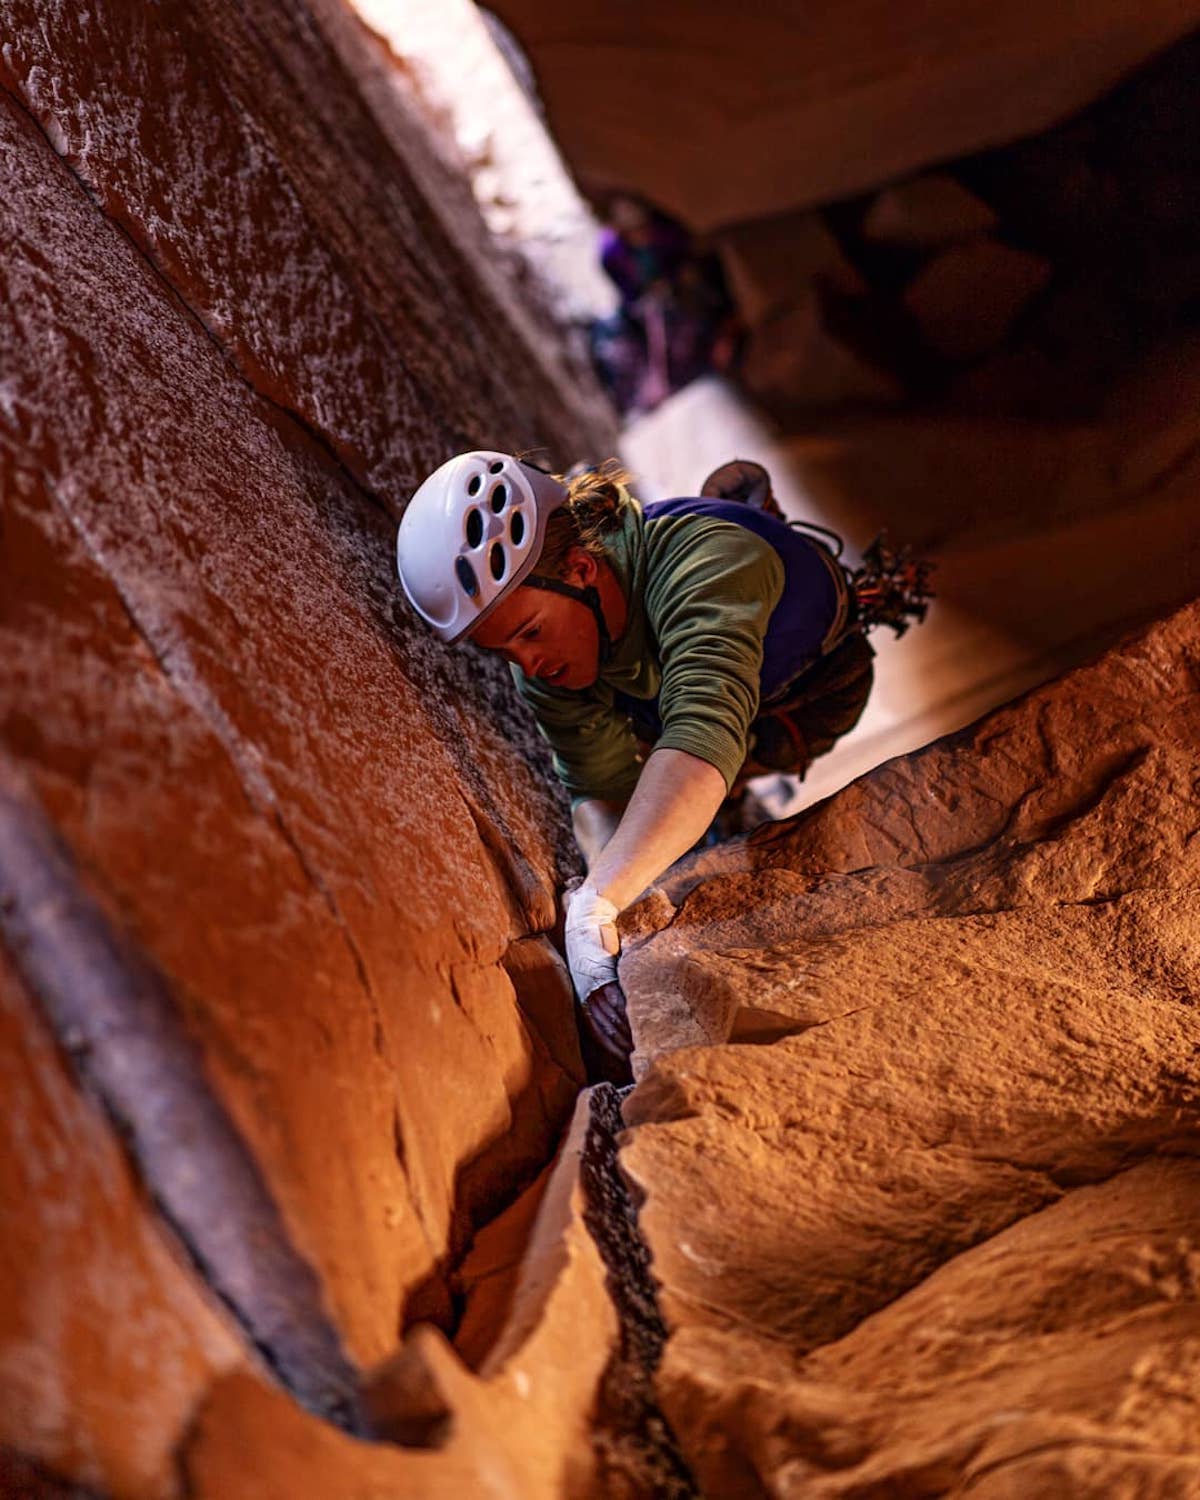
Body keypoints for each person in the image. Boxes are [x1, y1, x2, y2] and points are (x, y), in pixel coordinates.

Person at [395, 451, 926, 1079]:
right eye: (503, 649)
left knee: (695, 767)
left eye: (531, 632)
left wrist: (597, 902)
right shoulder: (550, 661)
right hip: (661, 684)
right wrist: (610, 897)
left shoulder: (707, 564)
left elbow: (704, 738)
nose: (528, 665)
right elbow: (599, 786)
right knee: (656, 811)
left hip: (808, 693)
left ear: (582, 569)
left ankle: (759, 527)